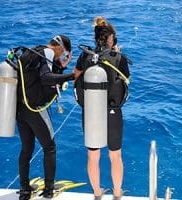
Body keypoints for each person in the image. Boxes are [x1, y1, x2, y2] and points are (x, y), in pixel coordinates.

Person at [73, 16, 130, 200]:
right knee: (115, 156)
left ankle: (97, 193)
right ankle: (117, 193)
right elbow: (126, 81)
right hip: (112, 111)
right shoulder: (118, 58)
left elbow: (76, 77)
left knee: (93, 155)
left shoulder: (85, 56)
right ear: (111, 37)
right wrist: (116, 54)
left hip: (90, 111)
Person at [16, 35, 74, 200]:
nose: (60, 57)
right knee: (50, 148)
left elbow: (40, 76)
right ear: (59, 47)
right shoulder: (47, 53)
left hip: (20, 109)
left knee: (26, 149)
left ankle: (25, 190)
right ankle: (49, 190)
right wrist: (71, 75)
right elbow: (46, 78)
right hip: (34, 109)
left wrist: (62, 67)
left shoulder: (34, 51)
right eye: (63, 54)